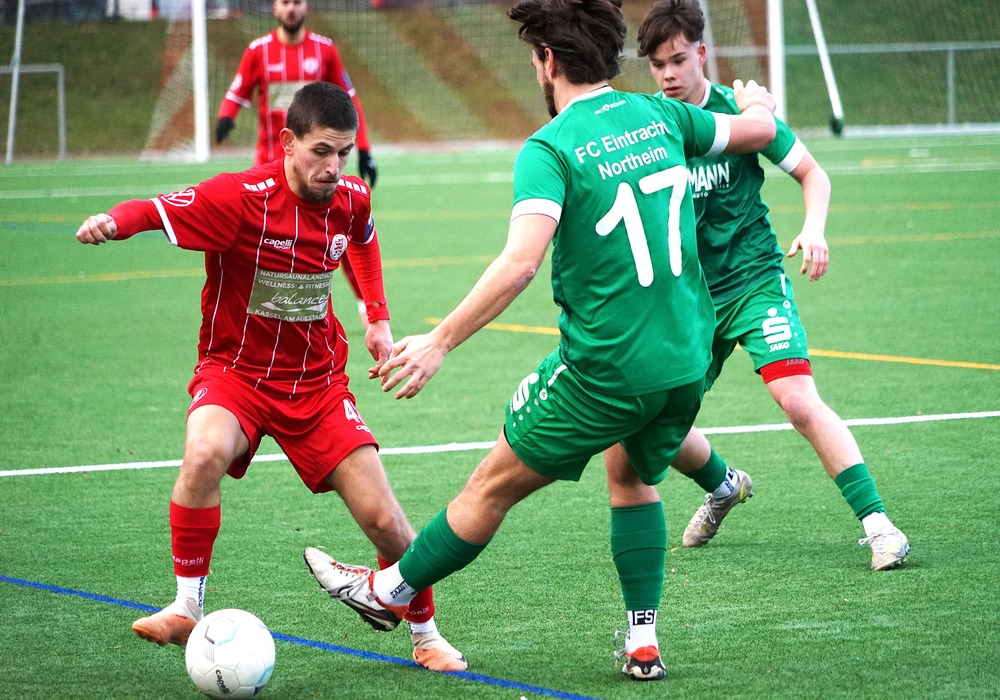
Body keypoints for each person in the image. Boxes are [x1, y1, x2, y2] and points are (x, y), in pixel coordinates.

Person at [299, 0, 777, 681]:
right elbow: (759, 131)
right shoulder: (664, 115)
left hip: (606, 370)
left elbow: (521, 262)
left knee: (491, 484)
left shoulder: (550, 148)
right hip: (685, 360)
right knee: (632, 473)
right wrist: (760, 105)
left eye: (534, 59)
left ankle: (388, 590)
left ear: (548, 60)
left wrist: (440, 340)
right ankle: (643, 643)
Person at [75, 83, 465, 673]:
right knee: (204, 451)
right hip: (235, 373)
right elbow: (156, 210)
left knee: (386, 521)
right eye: (321, 152)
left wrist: (377, 317)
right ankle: (186, 607)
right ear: (287, 142)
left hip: (317, 384)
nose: (334, 167)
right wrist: (112, 221)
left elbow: (363, 239)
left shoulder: (351, 197)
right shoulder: (239, 198)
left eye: (344, 153)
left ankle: (427, 635)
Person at [603, 0, 909, 571]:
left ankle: (880, 526)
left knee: (797, 400)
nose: (667, 74)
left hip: (753, 281)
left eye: (677, 60)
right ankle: (724, 486)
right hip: (688, 300)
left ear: (701, 53)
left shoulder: (741, 114)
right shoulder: (652, 126)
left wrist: (813, 229)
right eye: (657, 65)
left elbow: (813, 173)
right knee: (645, 427)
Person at [217, 0, 377, 326]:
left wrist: (363, 149)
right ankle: (258, 312)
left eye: (297, 2)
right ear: (274, 8)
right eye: (285, 2)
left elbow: (349, 101)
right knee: (260, 240)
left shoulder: (324, 50)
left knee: (340, 231)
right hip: (270, 168)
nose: (291, 9)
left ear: (306, 7)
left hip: (314, 170)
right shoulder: (258, 51)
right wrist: (226, 117)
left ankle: (365, 303)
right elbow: (237, 91)